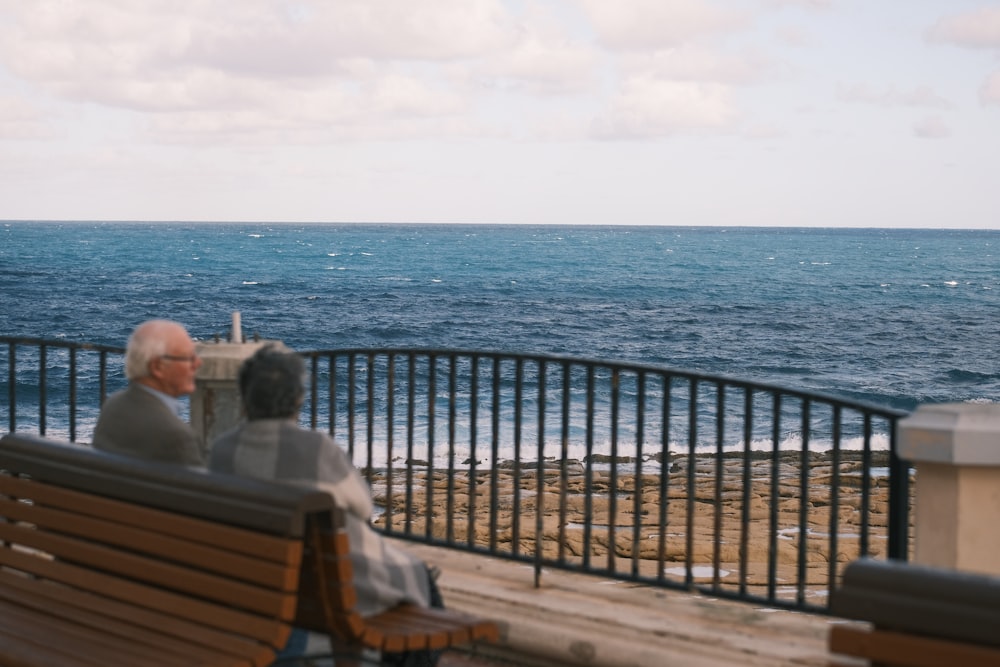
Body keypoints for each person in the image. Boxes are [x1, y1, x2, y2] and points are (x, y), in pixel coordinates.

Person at [210, 345, 443, 666]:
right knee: (422, 582)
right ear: (297, 399)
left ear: (245, 398)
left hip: (261, 583)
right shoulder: (316, 449)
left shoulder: (223, 450)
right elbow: (362, 506)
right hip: (324, 590)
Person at [93, 319, 205, 466]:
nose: (198, 363)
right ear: (157, 367)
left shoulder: (112, 406)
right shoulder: (176, 436)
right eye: (189, 358)